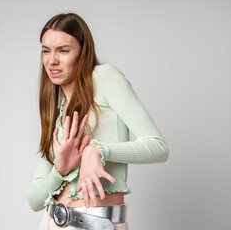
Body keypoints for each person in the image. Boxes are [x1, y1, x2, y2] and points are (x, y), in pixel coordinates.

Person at [28, 13, 169, 230]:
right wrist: (60, 170)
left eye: (63, 50)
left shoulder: (104, 78)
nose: (52, 60)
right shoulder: (58, 113)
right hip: (50, 223)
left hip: (95, 224)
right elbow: (35, 200)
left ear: (83, 52)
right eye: (46, 51)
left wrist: (97, 150)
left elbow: (158, 147)